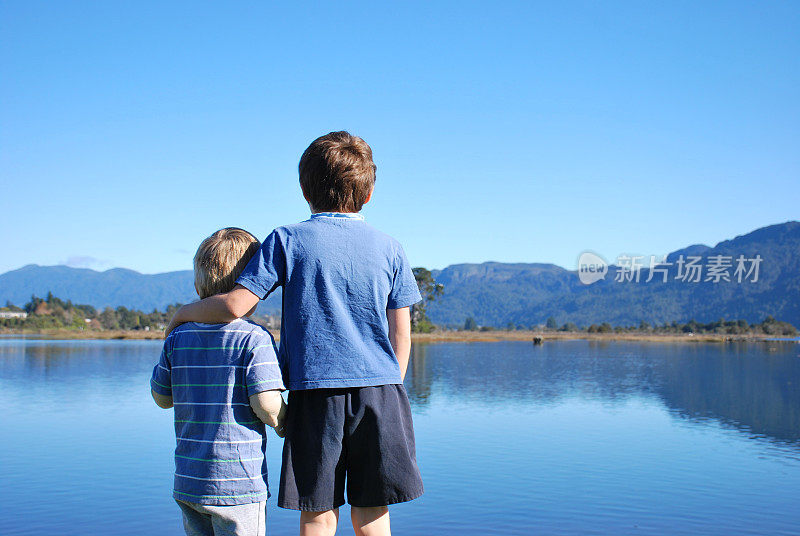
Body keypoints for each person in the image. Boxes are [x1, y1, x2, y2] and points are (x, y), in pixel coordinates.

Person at [166, 131, 424, 536]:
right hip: (381, 393)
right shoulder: (390, 247)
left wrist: (183, 313)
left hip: (313, 394)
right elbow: (401, 332)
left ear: (305, 189)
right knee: (373, 513)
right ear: (369, 193)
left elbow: (236, 305)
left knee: (317, 513)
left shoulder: (287, 239)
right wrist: (392, 384)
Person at [152, 227, 286, 536]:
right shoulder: (254, 338)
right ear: (252, 286)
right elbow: (266, 405)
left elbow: (161, 398)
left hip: (189, 480)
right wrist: (284, 423)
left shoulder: (177, 337)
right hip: (237, 483)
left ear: (199, 282)